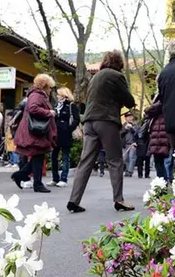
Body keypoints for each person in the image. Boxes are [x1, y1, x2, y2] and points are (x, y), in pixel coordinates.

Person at [67, 50, 136, 213]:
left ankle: (73, 200)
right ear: (119, 64)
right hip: (106, 121)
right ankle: (119, 200)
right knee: (115, 161)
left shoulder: (94, 77)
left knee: (86, 161)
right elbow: (130, 101)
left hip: (89, 122)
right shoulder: (116, 76)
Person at [12, 74, 57, 193]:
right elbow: (33, 108)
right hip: (35, 132)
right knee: (38, 156)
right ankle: (37, 183)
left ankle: (21, 175)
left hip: (35, 131)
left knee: (38, 156)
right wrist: (49, 112)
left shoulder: (35, 94)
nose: (51, 90)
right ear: (45, 86)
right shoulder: (37, 95)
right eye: (50, 87)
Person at [51, 87, 80, 187]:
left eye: (59, 94)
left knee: (65, 157)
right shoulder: (56, 106)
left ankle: (64, 179)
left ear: (64, 95)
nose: (57, 96)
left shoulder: (71, 106)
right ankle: (55, 178)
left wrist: (69, 129)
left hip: (65, 135)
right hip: (55, 134)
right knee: (53, 156)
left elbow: (76, 119)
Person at [144, 97, 170, 180]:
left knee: (160, 163)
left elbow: (148, 110)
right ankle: (164, 182)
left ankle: (162, 184)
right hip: (160, 136)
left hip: (159, 136)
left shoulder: (162, 102)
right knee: (162, 163)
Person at [120, 111, 138, 177]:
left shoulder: (135, 125)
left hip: (132, 144)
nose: (130, 118)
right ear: (125, 118)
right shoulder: (123, 125)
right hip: (125, 144)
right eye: (128, 117)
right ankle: (127, 170)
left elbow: (137, 133)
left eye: (131, 117)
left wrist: (131, 128)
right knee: (125, 158)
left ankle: (130, 171)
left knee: (132, 157)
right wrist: (125, 129)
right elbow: (120, 134)